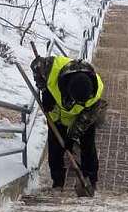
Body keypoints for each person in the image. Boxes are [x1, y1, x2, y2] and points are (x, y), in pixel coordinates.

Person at [31, 55, 108, 190]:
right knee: (55, 148)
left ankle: (90, 179)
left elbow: (83, 123)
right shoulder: (51, 68)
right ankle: (58, 182)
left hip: (83, 117)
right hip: (57, 117)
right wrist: (45, 90)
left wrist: (70, 138)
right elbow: (36, 66)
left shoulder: (95, 92)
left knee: (87, 145)